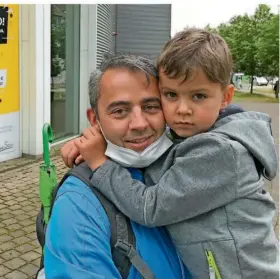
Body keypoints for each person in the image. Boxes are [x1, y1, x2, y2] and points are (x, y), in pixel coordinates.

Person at [63, 29, 279, 279]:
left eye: (198, 96)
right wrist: (92, 143)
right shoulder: (194, 131)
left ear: (226, 97)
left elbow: (150, 207)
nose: (182, 110)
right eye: (170, 95)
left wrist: (100, 161)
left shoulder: (221, 151)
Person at [44, 54, 190, 278]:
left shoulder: (190, 163)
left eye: (151, 106)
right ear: (94, 120)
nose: (140, 124)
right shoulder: (79, 203)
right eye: (120, 111)